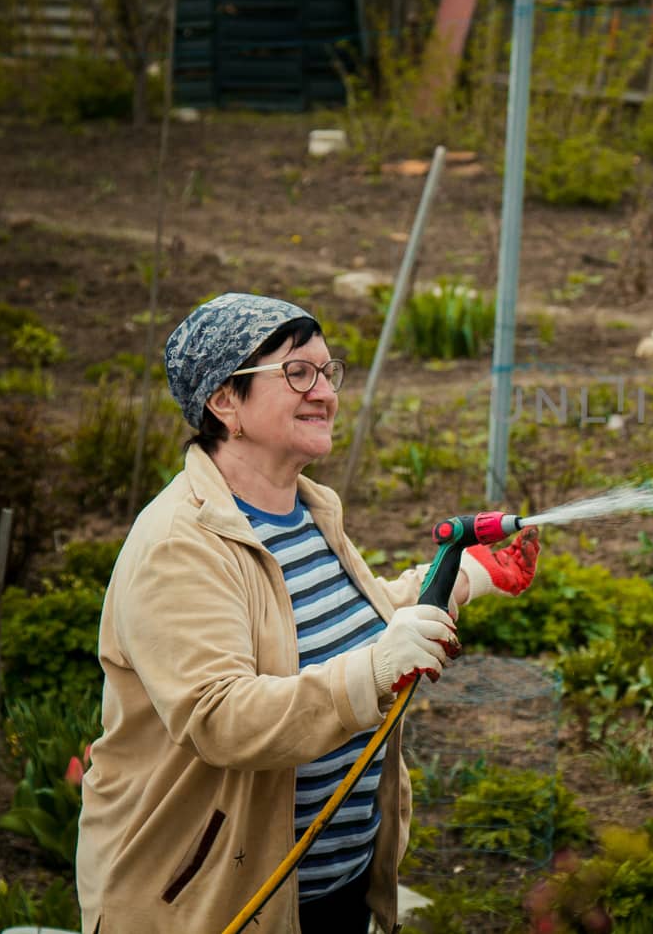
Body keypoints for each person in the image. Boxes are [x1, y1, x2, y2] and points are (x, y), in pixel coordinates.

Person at [76, 293, 540, 934]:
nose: (324, 391)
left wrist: (468, 574)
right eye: (298, 372)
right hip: (212, 900)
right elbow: (219, 716)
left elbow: (355, 622)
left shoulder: (306, 511)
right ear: (224, 402)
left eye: (328, 372)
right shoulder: (179, 542)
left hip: (330, 892)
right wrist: (374, 670)